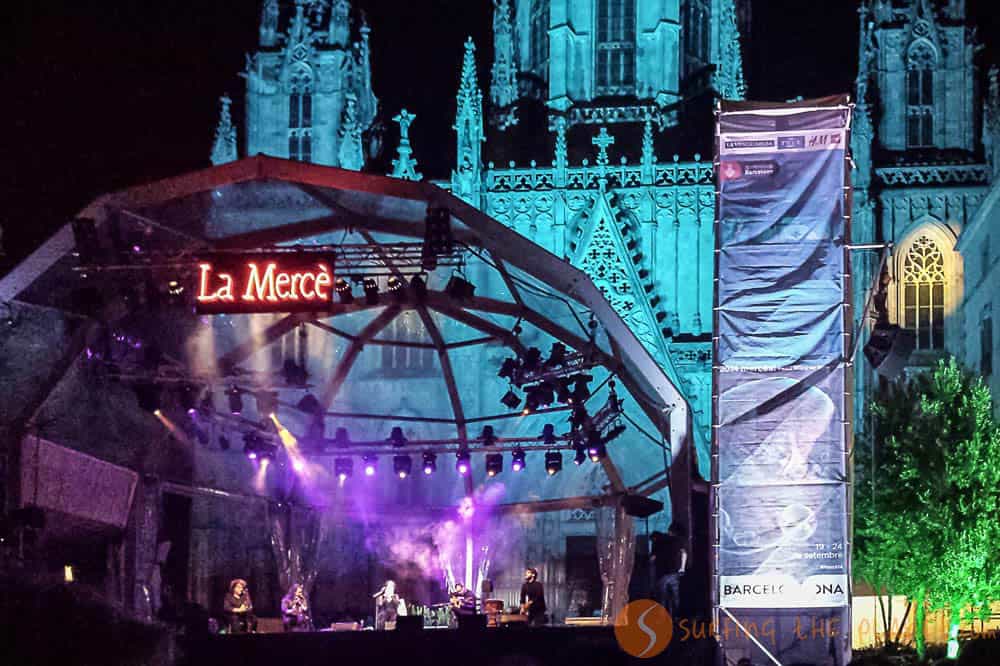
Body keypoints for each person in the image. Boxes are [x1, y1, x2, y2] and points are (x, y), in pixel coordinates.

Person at [651, 524, 687, 617]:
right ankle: (677, 617)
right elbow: (684, 554)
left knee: (662, 597)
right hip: (674, 572)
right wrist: (682, 568)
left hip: (661, 573)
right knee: (675, 596)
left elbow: (652, 558)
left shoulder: (658, 541)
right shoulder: (679, 541)